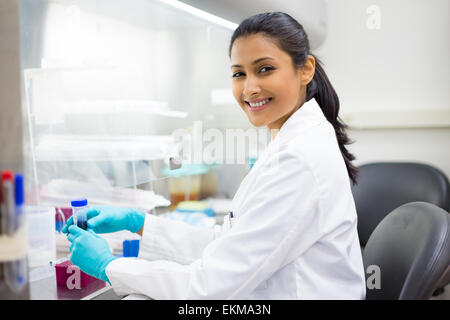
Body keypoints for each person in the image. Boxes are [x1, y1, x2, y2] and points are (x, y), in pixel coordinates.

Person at [63, 12, 366, 299]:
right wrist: (139, 223)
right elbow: (226, 247)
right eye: (239, 74)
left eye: (265, 69)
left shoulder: (298, 160)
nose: (249, 88)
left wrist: (109, 266)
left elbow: (209, 287)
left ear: (305, 70)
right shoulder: (293, 142)